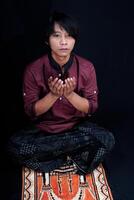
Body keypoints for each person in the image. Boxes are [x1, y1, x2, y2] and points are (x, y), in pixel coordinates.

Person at [8, 11, 115, 175]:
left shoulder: (87, 67)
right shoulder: (33, 69)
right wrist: (52, 95)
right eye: (57, 36)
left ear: (75, 40)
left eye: (69, 36)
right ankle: (68, 157)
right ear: (47, 40)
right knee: (14, 146)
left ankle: (54, 156)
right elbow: (31, 112)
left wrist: (70, 95)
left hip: (76, 129)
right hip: (44, 131)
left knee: (107, 138)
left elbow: (91, 108)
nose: (63, 42)